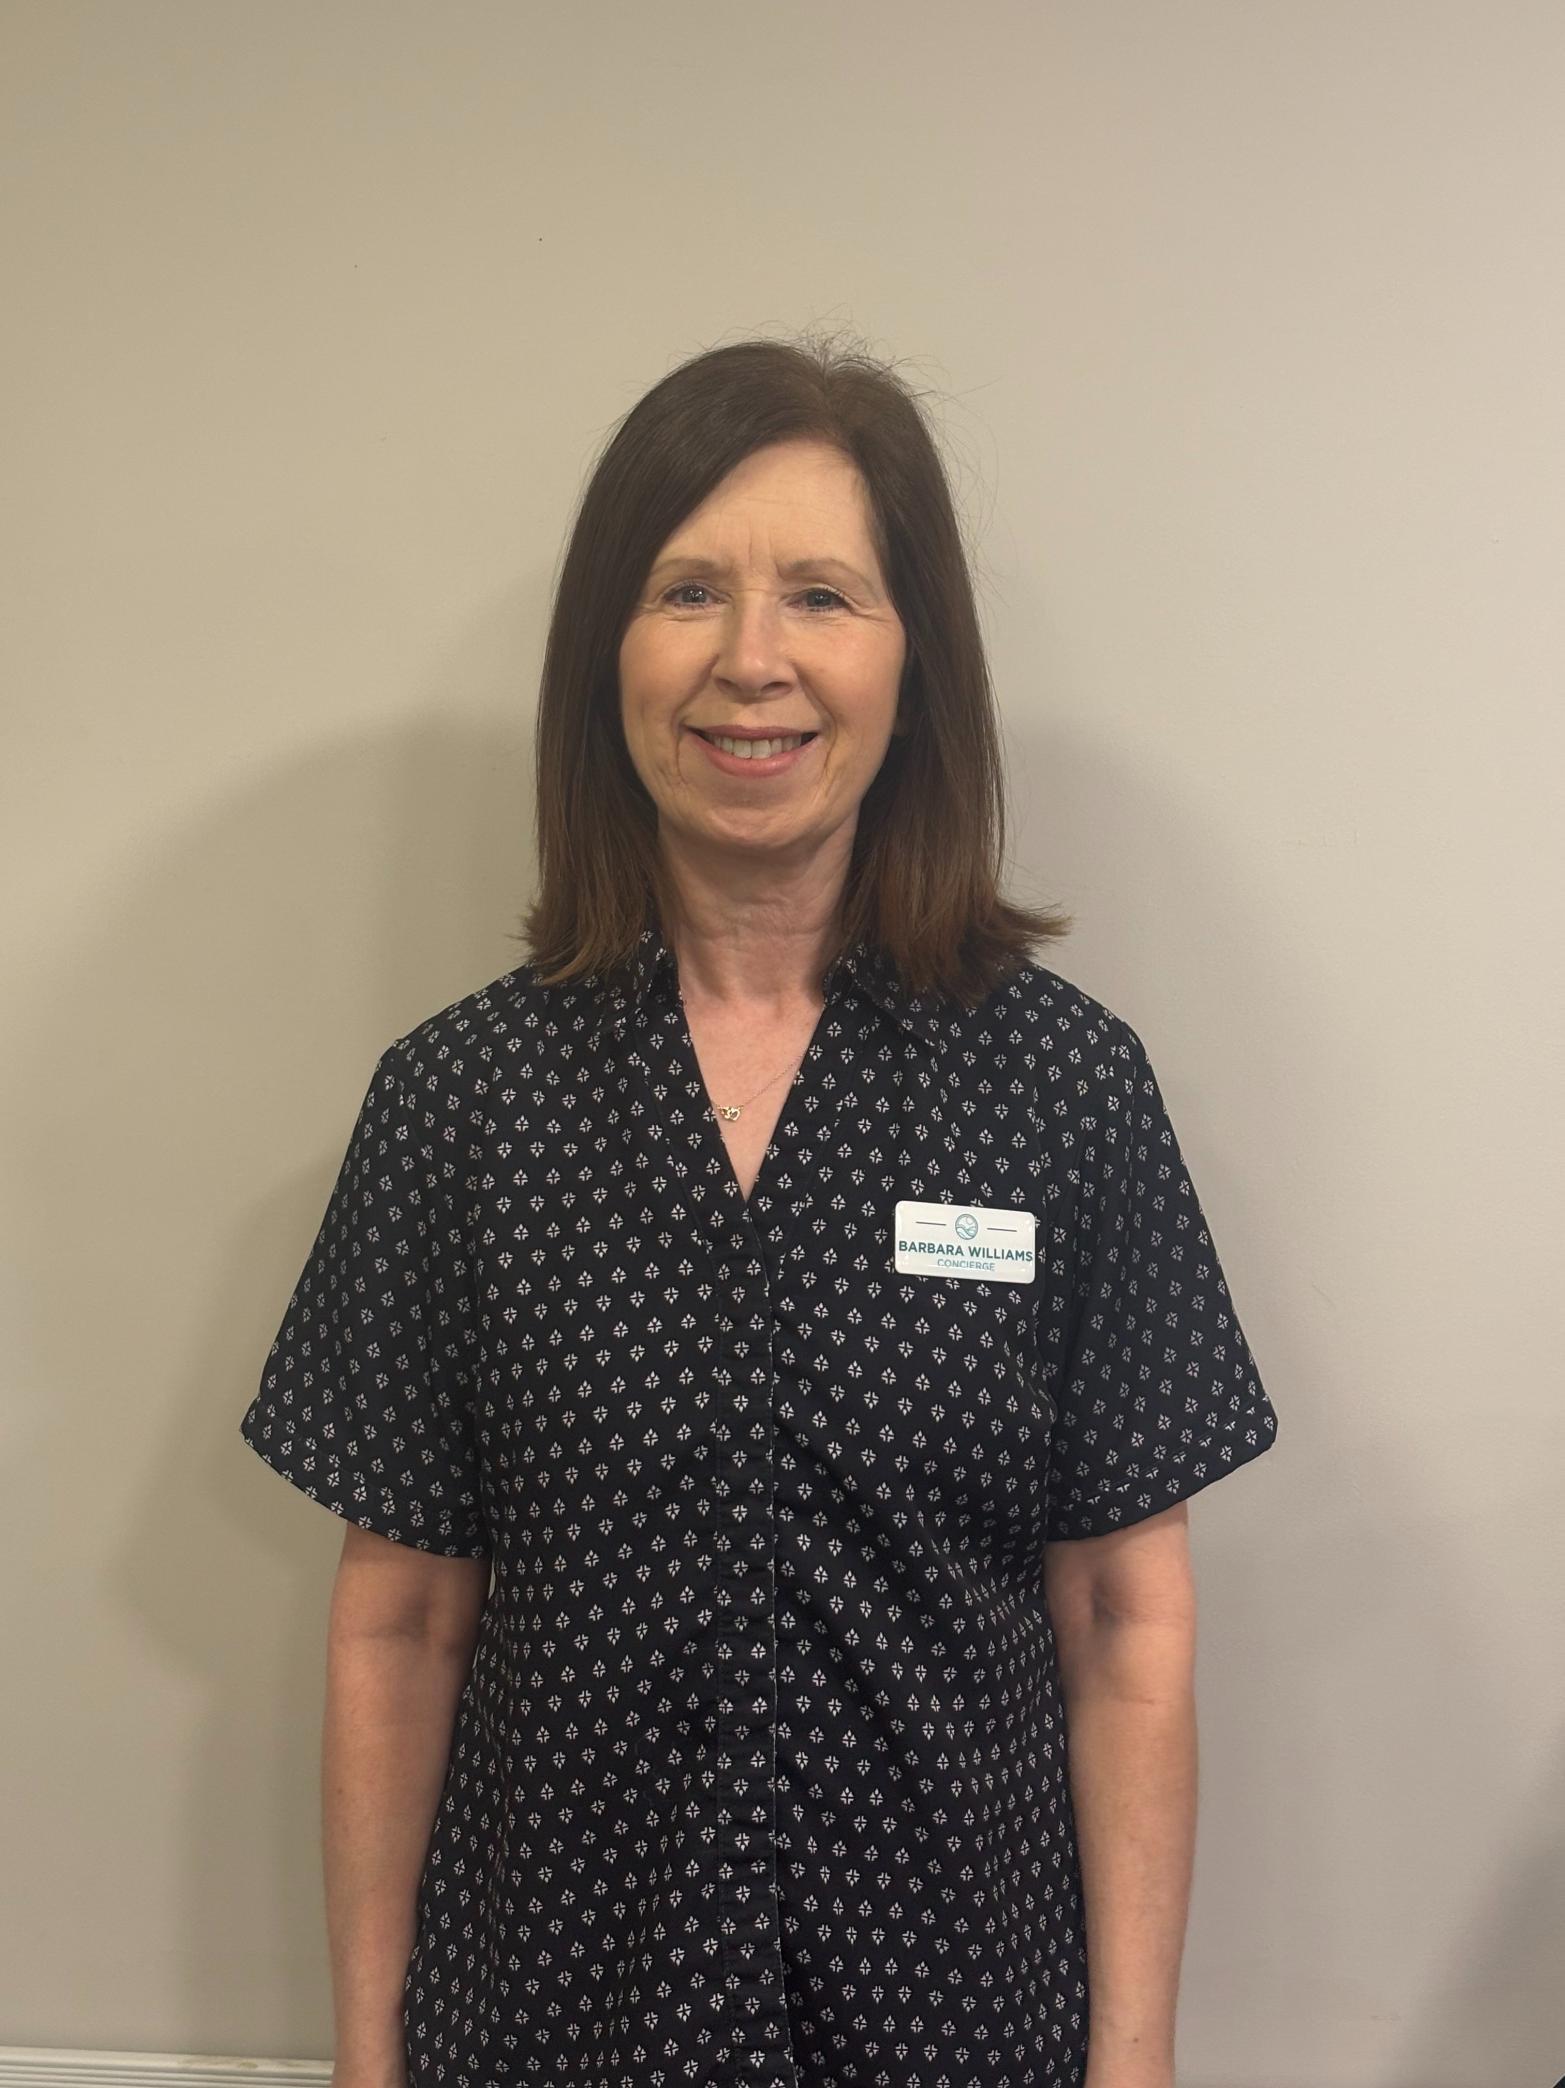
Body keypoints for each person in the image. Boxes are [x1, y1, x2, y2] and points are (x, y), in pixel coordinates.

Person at [240, 332, 1280, 2088]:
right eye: (685, 591)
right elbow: (398, 1622)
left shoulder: (1062, 1092)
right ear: (607, 660)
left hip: (956, 2026)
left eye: (821, 593)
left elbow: (1125, 1619)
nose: (751, 661)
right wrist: (366, 2059)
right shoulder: (460, 1106)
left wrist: (1133, 2058)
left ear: (912, 661)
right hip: (555, 2025)